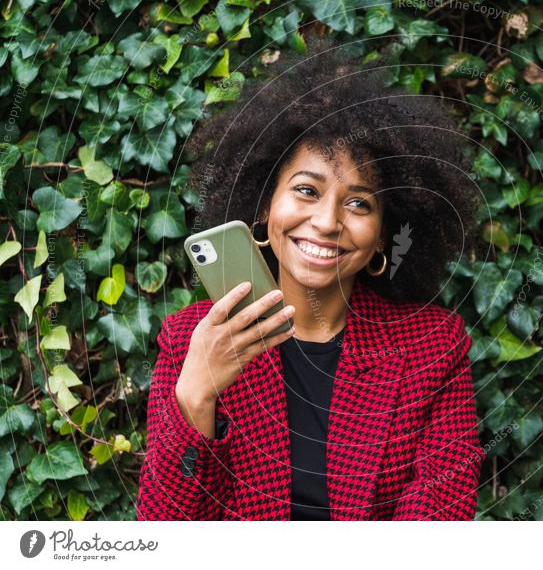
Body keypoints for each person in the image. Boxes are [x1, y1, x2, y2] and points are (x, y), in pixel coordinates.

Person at [136, 35, 486, 521]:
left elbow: (440, 515)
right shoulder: (191, 340)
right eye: (306, 190)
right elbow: (163, 530)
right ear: (264, 205)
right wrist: (196, 395)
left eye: (359, 203)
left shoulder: (433, 347)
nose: (326, 222)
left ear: (383, 235)